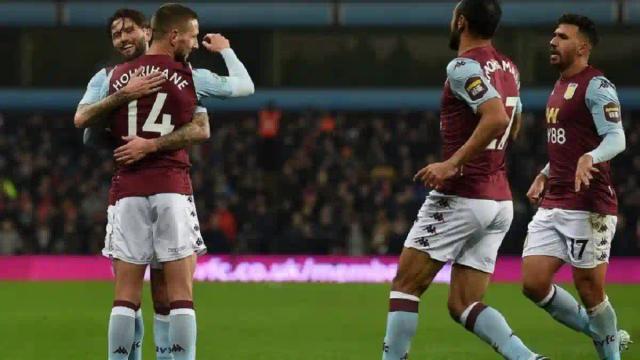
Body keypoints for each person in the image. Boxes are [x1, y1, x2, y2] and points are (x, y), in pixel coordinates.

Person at [74, 7, 253, 360]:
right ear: (172, 35)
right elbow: (239, 90)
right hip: (172, 186)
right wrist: (227, 50)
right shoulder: (188, 75)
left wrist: (129, 127)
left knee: (126, 295)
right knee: (180, 293)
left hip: (127, 189)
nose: (122, 38)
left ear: (147, 32)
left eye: (128, 31)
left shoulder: (113, 77)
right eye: (116, 34)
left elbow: (87, 130)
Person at [381, 1, 547, 359]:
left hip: (463, 194)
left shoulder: (462, 66)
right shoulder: (509, 67)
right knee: (464, 303)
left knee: (405, 287)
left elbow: (496, 118)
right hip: (498, 199)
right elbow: (513, 122)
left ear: (461, 21)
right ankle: (528, 358)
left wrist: (453, 163)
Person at [521, 14, 631, 360]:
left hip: (589, 203)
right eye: (553, 35)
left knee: (589, 289)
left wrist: (591, 158)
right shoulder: (557, 87)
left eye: (562, 37)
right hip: (555, 200)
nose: (553, 42)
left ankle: (609, 353)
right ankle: (608, 335)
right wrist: (544, 171)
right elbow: (568, 146)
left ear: (582, 47)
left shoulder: (597, 86)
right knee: (534, 283)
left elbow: (616, 138)